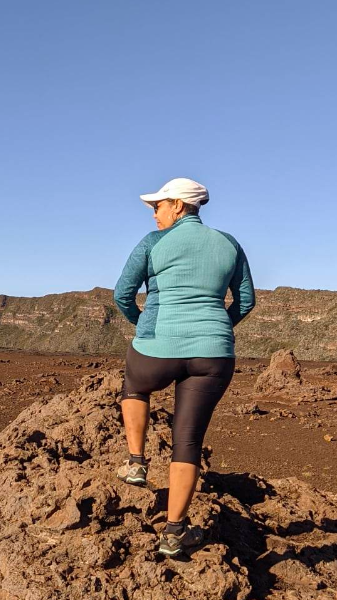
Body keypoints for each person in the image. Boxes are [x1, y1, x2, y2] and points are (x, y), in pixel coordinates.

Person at [112, 177, 256, 558]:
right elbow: (246, 301)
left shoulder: (154, 243)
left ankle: (136, 463)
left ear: (177, 205)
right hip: (214, 357)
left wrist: (143, 325)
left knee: (135, 384)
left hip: (158, 347)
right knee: (187, 441)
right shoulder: (229, 244)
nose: (154, 213)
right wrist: (217, 328)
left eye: (157, 206)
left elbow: (122, 294)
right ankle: (175, 534)